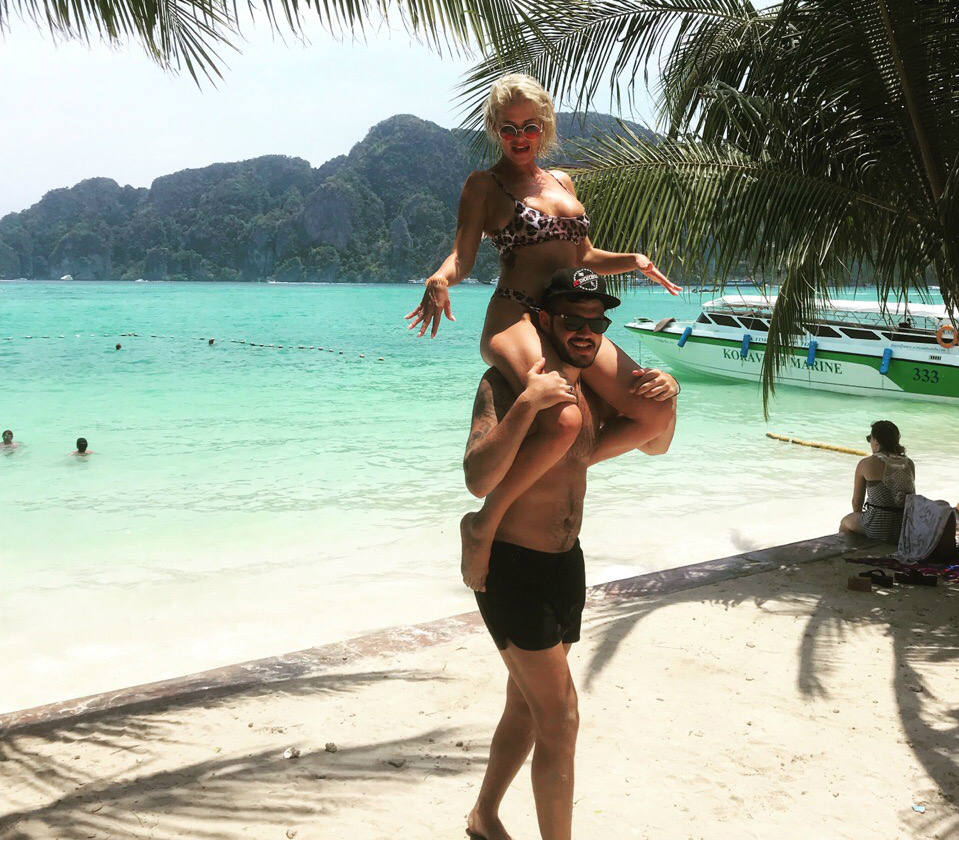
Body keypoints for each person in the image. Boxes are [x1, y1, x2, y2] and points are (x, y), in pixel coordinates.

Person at [405, 73, 680, 584]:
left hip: (568, 319)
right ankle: (484, 524)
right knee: (565, 419)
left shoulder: (563, 183)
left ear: (545, 127)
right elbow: (463, 256)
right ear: (495, 129)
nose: (520, 137)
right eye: (508, 128)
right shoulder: (485, 186)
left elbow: (583, 257)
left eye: (529, 126)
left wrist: (634, 259)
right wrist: (440, 279)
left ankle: (565, 465)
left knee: (654, 409)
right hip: (515, 316)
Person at [462, 270, 677, 840]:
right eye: (570, 319)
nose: (585, 331)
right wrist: (526, 406)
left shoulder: (595, 396)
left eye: (596, 322)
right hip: (511, 568)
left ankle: (483, 816)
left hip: (565, 564)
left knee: (526, 707)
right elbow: (477, 478)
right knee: (561, 718)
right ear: (543, 320)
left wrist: (668, 392)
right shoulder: (505, 383)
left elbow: (657, 443)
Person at [839, 420, 915, 543]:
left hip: (878, 527)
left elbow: (856, 504)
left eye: (870, 438)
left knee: (845, 522)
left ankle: (852, 551)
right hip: (904, 527)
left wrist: (865, 521)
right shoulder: (909, 463)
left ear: (876, 441)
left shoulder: (865, 463)